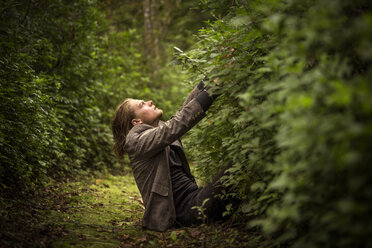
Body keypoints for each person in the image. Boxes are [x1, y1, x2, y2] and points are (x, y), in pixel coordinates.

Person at [112, 79, 237, 231]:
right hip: (189, 211)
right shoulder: (136, 141)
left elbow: (185, 110)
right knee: (238, 164)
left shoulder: (156, 133)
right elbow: (178, 123)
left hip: (196, 198)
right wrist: (215, 87)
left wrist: (214, 75)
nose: (150, 102)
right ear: (136, 122)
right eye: (142, 104)